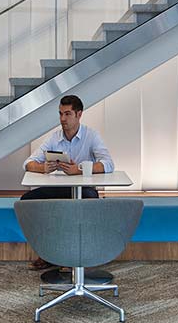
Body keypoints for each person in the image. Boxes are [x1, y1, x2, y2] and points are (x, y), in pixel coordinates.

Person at [21, 95, 115, 270]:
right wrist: (43, 168)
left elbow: (109, 164)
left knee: (86, 202)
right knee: (27, 201)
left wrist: (78, 170)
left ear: (79, 114)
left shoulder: (91, 135)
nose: (62, 119)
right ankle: (49, 253)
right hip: (59, 188)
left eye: (67, 114)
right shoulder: (54, 138)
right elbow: (27, 163)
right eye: (60, 114)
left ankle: (79, 257)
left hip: (85, 190)